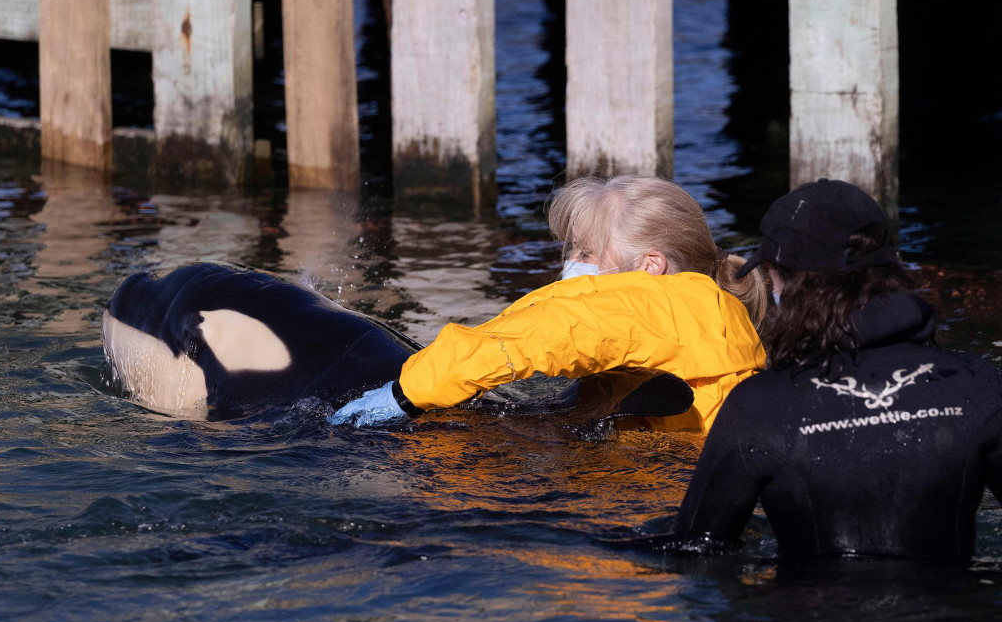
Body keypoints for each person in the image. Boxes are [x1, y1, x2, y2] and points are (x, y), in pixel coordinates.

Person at [670, 178, 1002, 562]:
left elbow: (694, 549)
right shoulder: (978, 383)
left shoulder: (755, 406)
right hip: (958, 614)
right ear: (891, 268)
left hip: (811, 618)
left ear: (784, 282)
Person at [332, 175, 768, 432]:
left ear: (650, 265)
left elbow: (537, 336)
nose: (572, 264)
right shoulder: (710, 309)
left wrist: (406, 395)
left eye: (586, 253)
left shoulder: (647, 301)